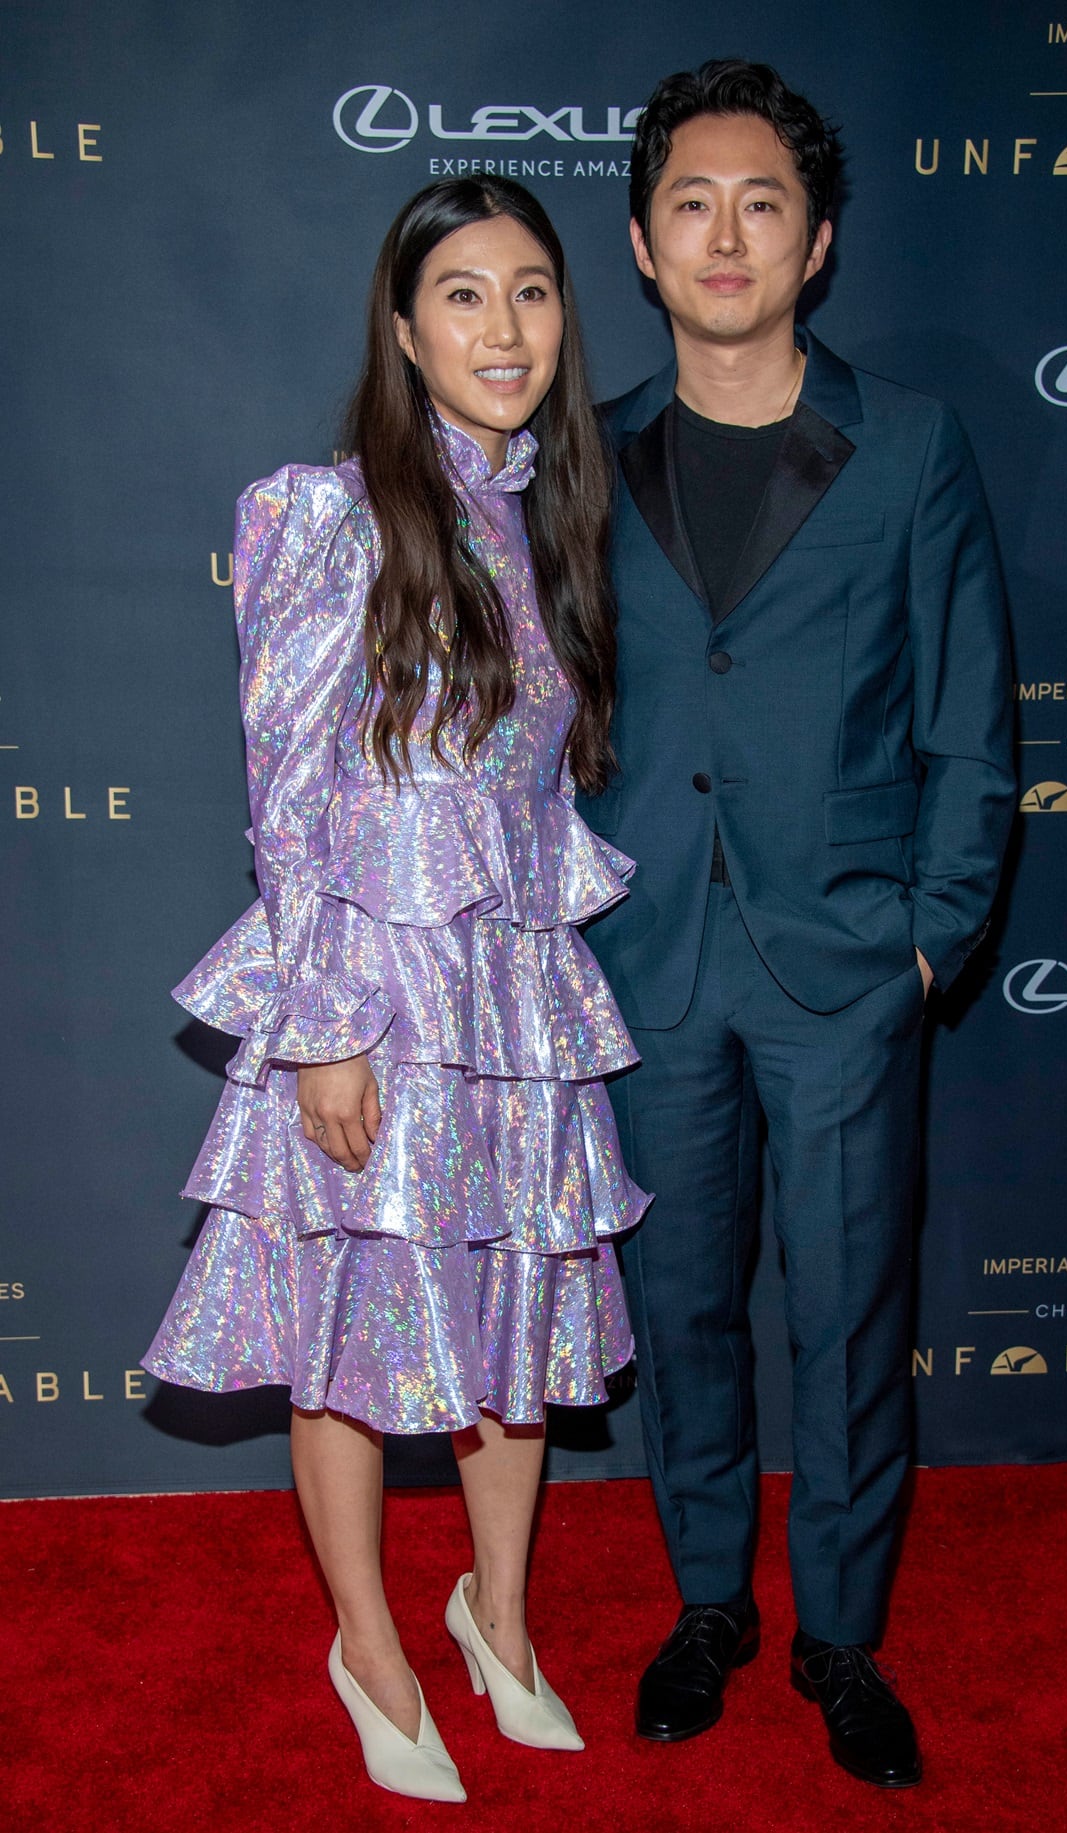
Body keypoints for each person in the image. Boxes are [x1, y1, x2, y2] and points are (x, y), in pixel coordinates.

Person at [144, 176, 648, 1805]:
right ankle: (369, 1641)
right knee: (350, 1339)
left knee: (517, 1321)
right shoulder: (322, 509)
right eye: (463, 296)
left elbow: (535, 790)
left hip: (514, 1006)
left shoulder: (556, 512)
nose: (502, 328)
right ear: (404, 324)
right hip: (372, 997)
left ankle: (497, 1612)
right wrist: (326, 1031)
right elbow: (289, 796)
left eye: (531, 294)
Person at [576, 60, 1015, 1789]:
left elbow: (975, 724)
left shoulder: (910, 444)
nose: (728, 231)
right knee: (681, 1309)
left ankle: (837, 1632)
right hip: (653, 961)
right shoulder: (586, 461)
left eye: (763, 201)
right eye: (693, 200)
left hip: (844, 972)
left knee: (844, 1314)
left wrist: (931, 943)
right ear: (642, 240)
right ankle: (709, 1608)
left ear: (817, 240)